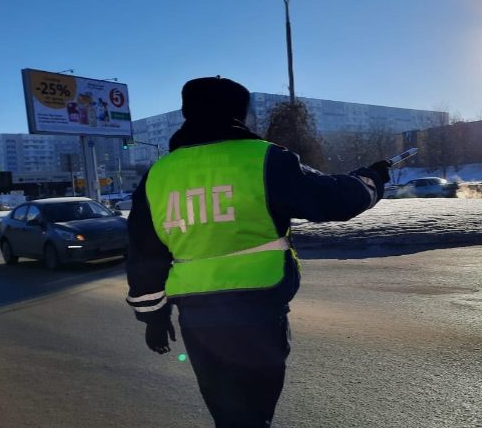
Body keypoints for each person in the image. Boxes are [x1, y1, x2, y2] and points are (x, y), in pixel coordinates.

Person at [125, 76, 391, 428]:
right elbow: (334, 198)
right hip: (257, 312)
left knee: (228, 414)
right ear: (239, 113)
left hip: (198, 320)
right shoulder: (264, 159)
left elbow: (144, 253)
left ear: (187, 113)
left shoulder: (158, 175)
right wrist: (371, 178)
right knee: (252, 416)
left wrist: (153, 317)